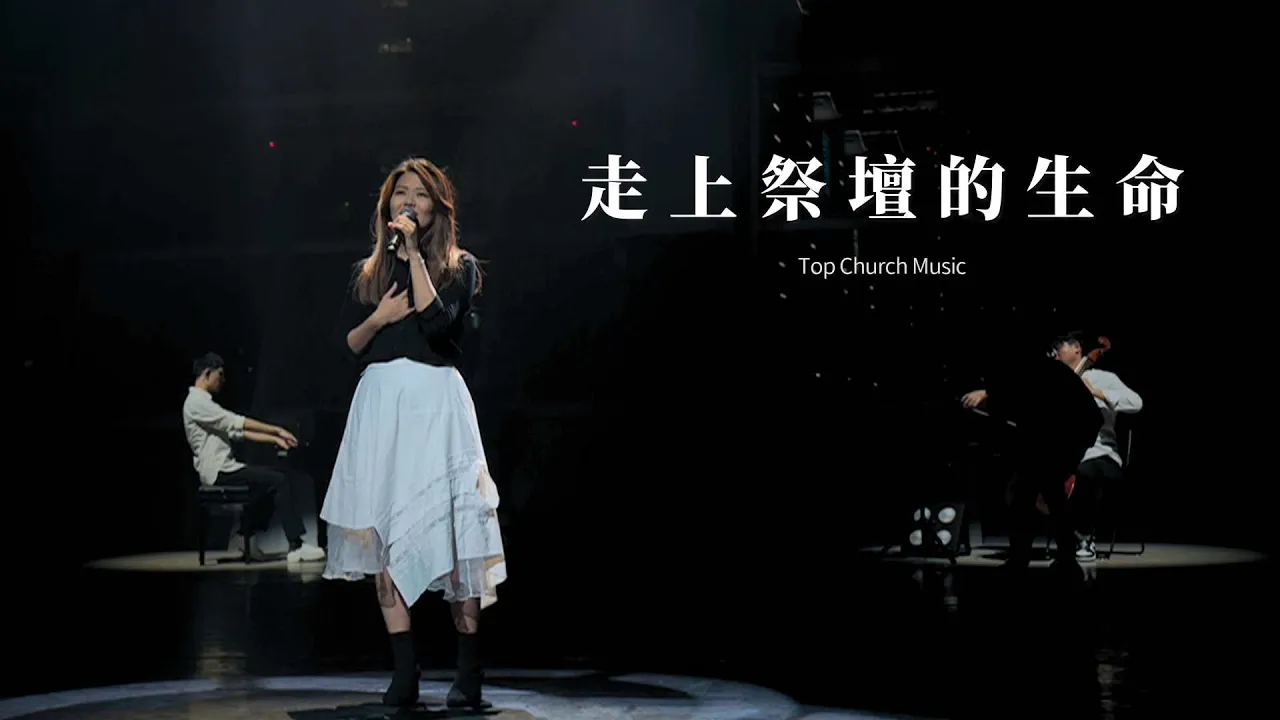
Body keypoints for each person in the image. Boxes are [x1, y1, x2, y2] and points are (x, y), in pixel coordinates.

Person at [322, 157, 506, 711]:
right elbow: (346, 344)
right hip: (382, 408)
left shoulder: (459, 266)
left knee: (456, 538)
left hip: (436, 406)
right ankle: (405, 671)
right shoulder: (369, 273)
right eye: (400, 192)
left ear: (437, 208)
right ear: (387, 205)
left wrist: (417, 259)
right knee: (386, 536)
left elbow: (438, 323)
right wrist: (379, 317)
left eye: (420, 194)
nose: (408, 201)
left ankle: (468, 673)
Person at [961, 344, 1102, 572]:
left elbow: (1009, 412)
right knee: (1046, 496)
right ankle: (1060, 558)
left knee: (1029, 497)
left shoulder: (1032, 375)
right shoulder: (1047, 372)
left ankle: (1026, 559)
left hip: (1056, 443)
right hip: (1056, 442)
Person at [182, 352, 327, 563]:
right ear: (207, 373)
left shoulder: (203, 403)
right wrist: (276, 430)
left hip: (225, 467)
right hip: (218, 471)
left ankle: (245, 536)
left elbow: (237, 432)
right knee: (279, 480)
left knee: (274, 480)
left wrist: (275, 439)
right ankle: (296, 545)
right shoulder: (197, 402)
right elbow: (235, 422)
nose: (223, 380)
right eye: (219, 374)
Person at [1051, 332, 1143, 561]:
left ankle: (1084, 536)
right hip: (1061, 455)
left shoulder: (1103, 378)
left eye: (1058, 347)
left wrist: (1096, 392)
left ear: (1077, 350)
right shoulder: (1053, 383)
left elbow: (1136, 402)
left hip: (1099, 452)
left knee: (1086, 471)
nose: (1053, 353)